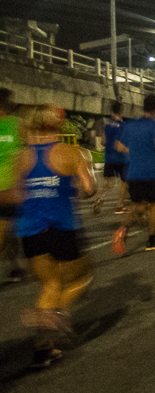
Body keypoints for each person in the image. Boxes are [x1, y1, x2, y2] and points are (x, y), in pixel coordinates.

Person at [15, 105, 97, 369]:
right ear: (56, 124)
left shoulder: (21, 157)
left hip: (30, 230)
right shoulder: (71, 152)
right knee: (81, 278)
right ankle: (51, 316)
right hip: (62, 226)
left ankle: (43, 349)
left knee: (49, 285)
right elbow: (89, 188)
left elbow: (18, 194)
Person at [114, 94, 155, 254]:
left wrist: (131, 151)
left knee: (137, 206)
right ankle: (151, 240)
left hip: (133, 172)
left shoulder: (130, 125)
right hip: (151, 171)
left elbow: (118, 146)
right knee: (153, 206)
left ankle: (123, 229)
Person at [0, 88, 27, 283]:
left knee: (8, 232)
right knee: (5, 232)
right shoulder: (18, 125)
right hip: (9, 188)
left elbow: (27, 153)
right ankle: (16, 267)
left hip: (11, 188)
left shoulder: (17, 125)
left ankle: (16, 267)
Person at [94, 101, 129, 215]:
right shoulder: (123, 126)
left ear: (112, 111)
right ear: (121, 111)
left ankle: (100, 197)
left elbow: (103, 141)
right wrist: (128, 150)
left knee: (108, 184)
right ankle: (119, 205)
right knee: (124, 183)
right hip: (121, 159)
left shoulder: (107, 125)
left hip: (109, 158)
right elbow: (119, 146)